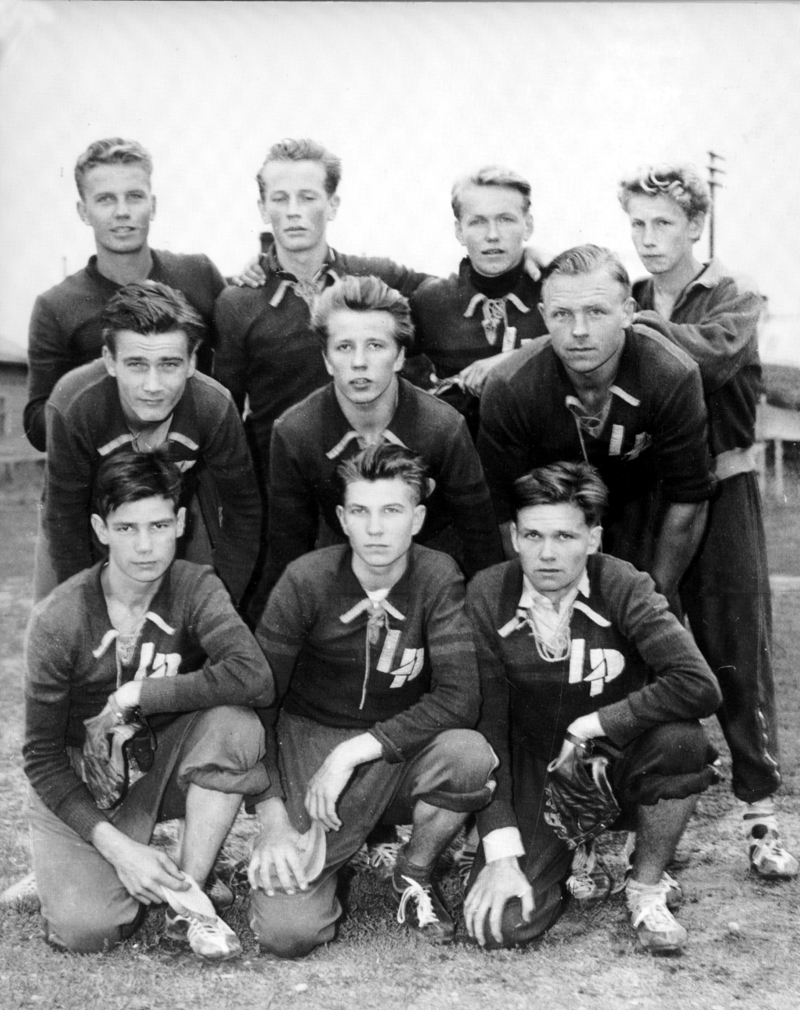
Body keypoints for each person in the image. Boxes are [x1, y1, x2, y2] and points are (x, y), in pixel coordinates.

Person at [246, 443, 497, 957]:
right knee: (288, 933)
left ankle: (414, 871)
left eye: (392, 511)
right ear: (342, 519)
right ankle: (315, 852)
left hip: (394, 747)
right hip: (309, 745)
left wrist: (354, 751)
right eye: (360, 511)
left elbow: (460, 698)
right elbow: (258, 703)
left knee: (469, 755)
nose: (376, 529)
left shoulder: (437, 575)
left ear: (418, 518)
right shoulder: (305, 579)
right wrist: (271, 817)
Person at [618, 163, 797, 879]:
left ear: (696, 224)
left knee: (734, 650)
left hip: (721, 490)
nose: (648, 238)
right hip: (647, 496)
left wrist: (636, 327)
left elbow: (713, 361)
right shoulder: (624, 295)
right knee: (637, 647)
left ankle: (762, 816)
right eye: (637, 223)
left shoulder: (734, 293)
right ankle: (635, 816)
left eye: (663, 223)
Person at [22, 450, 273, 959]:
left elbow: (255, 678)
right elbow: (41, 758)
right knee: (88, 930)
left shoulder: (195, 585)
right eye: (127, 528)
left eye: (158, 525)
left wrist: (140, 694)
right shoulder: (59, 618)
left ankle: (189, 896)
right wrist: (118, 849)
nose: (144, 545)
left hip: (158, 759)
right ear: (101, 529)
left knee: (236, 726)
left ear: (180, 523)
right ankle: (82, 859)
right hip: (84, 774)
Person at [463, 462, 721, 954]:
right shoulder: (487, 593)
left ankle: (645, 884)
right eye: (533, 535)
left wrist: (598, 722)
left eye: (564, 536)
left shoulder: (622, 583)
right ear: (514, 537)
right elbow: (487, 727)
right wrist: (500, 848)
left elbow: (698, 684)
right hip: (535, 767)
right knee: (503, 927)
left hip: (610, 759)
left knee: (682, 741)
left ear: (593, 538)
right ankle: (568, 851)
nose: (547, 553)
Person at [477, 244, 715, 605]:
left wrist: (654, 598)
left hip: (643, 511)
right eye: (562, 314)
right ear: (543, 316)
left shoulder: (672, 375)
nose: (579, 330)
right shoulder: (510, 385)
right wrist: (546, 594)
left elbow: (689, 497)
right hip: (552, 520)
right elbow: (500, 509)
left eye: (596, 311)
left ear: (627, 312)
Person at [262, 275, 503, 608]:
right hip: (347, 555)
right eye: (344, 347)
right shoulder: (295, 432)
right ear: (327, 359)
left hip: (434, 557)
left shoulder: (444, 427)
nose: (359, 362)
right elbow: (287, 549)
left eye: (375, 345)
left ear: (400, 356)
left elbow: (481, 541)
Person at [214, 138, 431, 485]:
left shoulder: (376, 277)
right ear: (263, 208)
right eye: (280, 199)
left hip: (376, 482)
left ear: (332, 205)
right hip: (284, 485)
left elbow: (450, 298)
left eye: (308, 197)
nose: (293, 211)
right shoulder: (238, 302)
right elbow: (225, 416)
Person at [39, 281, 260, 606]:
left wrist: (218, 602)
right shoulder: (75, 405)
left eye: (169, 364)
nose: (153, 386)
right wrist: (92, 611)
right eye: (136, 364)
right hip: (88, 513)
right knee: (64, 621)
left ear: (192, 362)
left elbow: (244, 510)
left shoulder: (213, 406)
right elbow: (65, 518)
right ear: (110, 360)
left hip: (171, 507)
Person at [24, 138, 226, 451]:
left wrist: (267, 270)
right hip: (106, 473)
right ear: (83, 211)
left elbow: (241, 363)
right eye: (105, 199)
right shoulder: (56, 306)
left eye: (134, 197)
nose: (122, 212)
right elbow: (37, 424)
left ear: (152, 205)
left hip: (195, 464)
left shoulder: (199, 275)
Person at [408, 166, 548, 437]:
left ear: (528, 226)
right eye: (477, 222)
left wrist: (514, 360)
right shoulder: (432, 302)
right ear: (459, 231)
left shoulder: (554, 294)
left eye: (506, 219)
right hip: (461, 454)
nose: (492, 235)